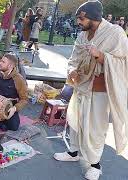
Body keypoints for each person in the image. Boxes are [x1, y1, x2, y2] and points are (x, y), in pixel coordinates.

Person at [53, 1, 128, 180]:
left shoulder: (115, 33)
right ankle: (74, 153)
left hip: (100, 90)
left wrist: (101, 56)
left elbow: (124, 61)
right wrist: (71, 70)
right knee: (75, 121)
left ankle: (95, 164)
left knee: (95, 127)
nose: (79, 22)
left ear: (92, 16)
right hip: (81, 87)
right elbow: (73, 58)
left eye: (81, 18)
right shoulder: (82, 35)